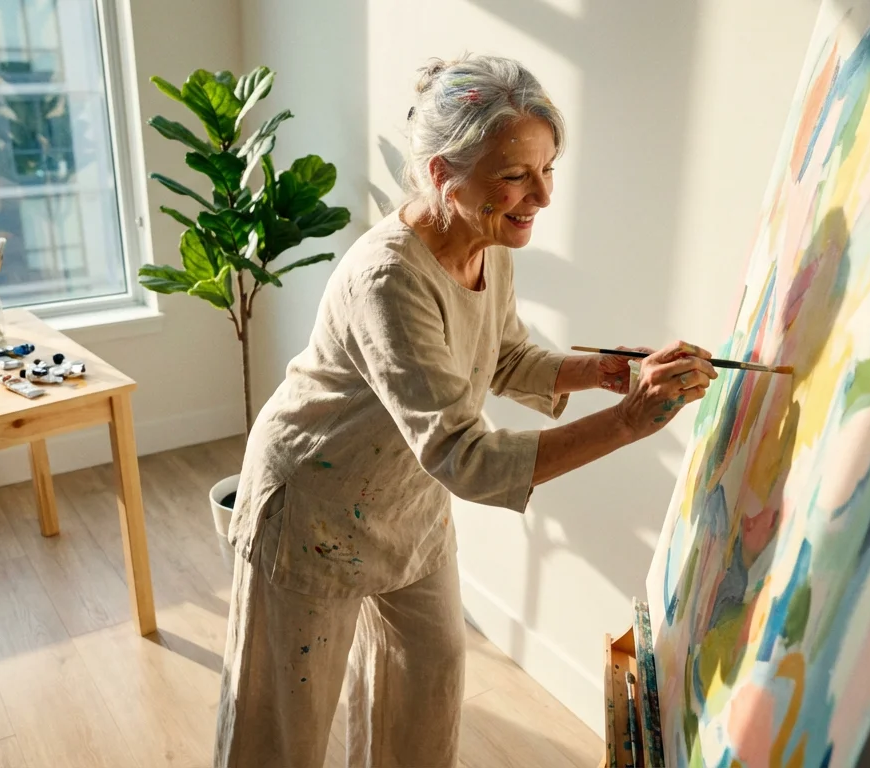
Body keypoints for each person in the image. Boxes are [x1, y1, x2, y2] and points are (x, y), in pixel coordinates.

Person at [215, 54, 715, 767]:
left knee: (431, 675)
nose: (539, 196)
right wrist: (628, 422)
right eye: (515, 175)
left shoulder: (489, 240)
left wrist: (615, 372)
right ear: (443, 174)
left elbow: (505, 357)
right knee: (282, 726)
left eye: (548, 171)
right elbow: (467, 458)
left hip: (406, 504)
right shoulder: (388, 278)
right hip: (313, 508)